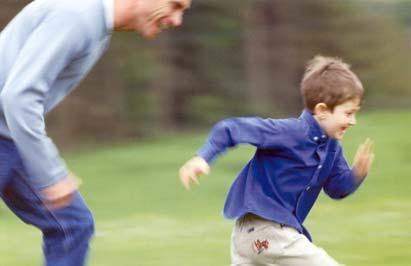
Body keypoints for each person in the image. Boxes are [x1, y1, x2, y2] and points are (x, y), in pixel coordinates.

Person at [0, 0, 191, 265]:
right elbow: (18, 98)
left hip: (9, 136)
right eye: (174, 5)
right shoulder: (77, 16)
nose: (176, 20)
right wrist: (51, 174)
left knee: (72, 224)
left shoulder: (95, 27)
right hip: (6, 132)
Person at [179, 56, 375, 266]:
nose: (353, 121)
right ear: (322, 110)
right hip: (267, 231)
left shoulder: (332, 148)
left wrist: (356, 174)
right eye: (348, 113)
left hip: (253, 238)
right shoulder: (289, 132)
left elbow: (337, 189)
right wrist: (203, 157)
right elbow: (231, 129)